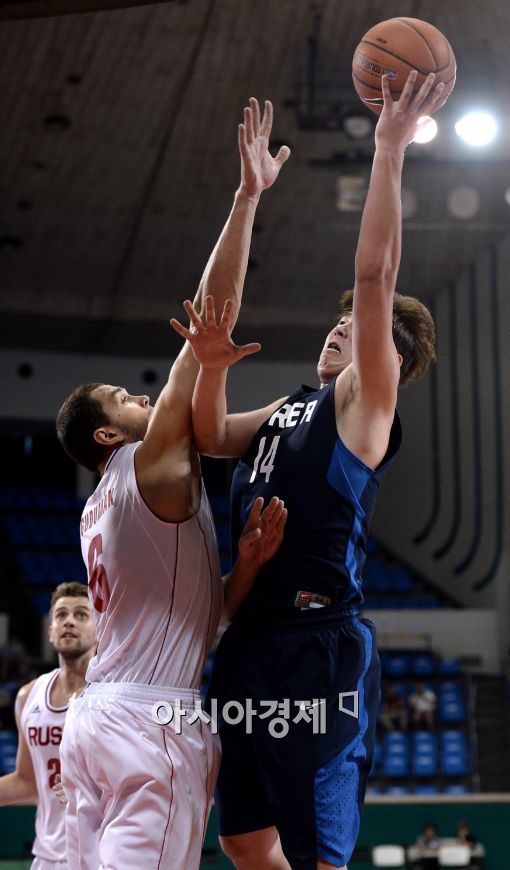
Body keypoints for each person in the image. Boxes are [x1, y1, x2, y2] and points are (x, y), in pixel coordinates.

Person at [171, 70, 444, 870]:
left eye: (358, 328)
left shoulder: (366, 406)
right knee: (244, 843)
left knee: (316, 856)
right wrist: (214, 362)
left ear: (389, 357)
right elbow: (213, 433)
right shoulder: (292, 406)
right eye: (339, 324)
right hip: (252, 639)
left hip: (318, 644)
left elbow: (373, 280)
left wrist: (388, 148)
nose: (342, 327)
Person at [55, 99, 290, 870]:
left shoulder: (106, 509)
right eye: (127, 402)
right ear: (106, 437)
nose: (145, 399)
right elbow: (207, 327)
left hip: (105, 717)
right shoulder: (144, 465)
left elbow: (187, 620)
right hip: (150, 721)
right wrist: (246, 197)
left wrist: (244, 571)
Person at [0, 583, 96, 870]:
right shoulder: (28, 696)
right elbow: (29, 782)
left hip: (103, 854)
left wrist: (91, 788)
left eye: (81, 615)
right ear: (50, 631)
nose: (69, 621)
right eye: (61, 615)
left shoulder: (113, 694)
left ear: (101, 629)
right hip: (47, 856)